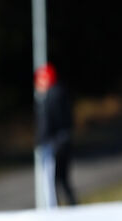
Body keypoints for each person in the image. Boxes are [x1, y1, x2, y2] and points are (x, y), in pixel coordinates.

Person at [34, 63, 78, 206]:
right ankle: (74, 207)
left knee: (50, 183)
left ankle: (54, 213)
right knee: (63, 179)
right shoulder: (61, 93)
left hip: (53, 144)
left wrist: (40, 142)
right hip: (64, 140)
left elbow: (45, 124)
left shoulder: (49, 98)